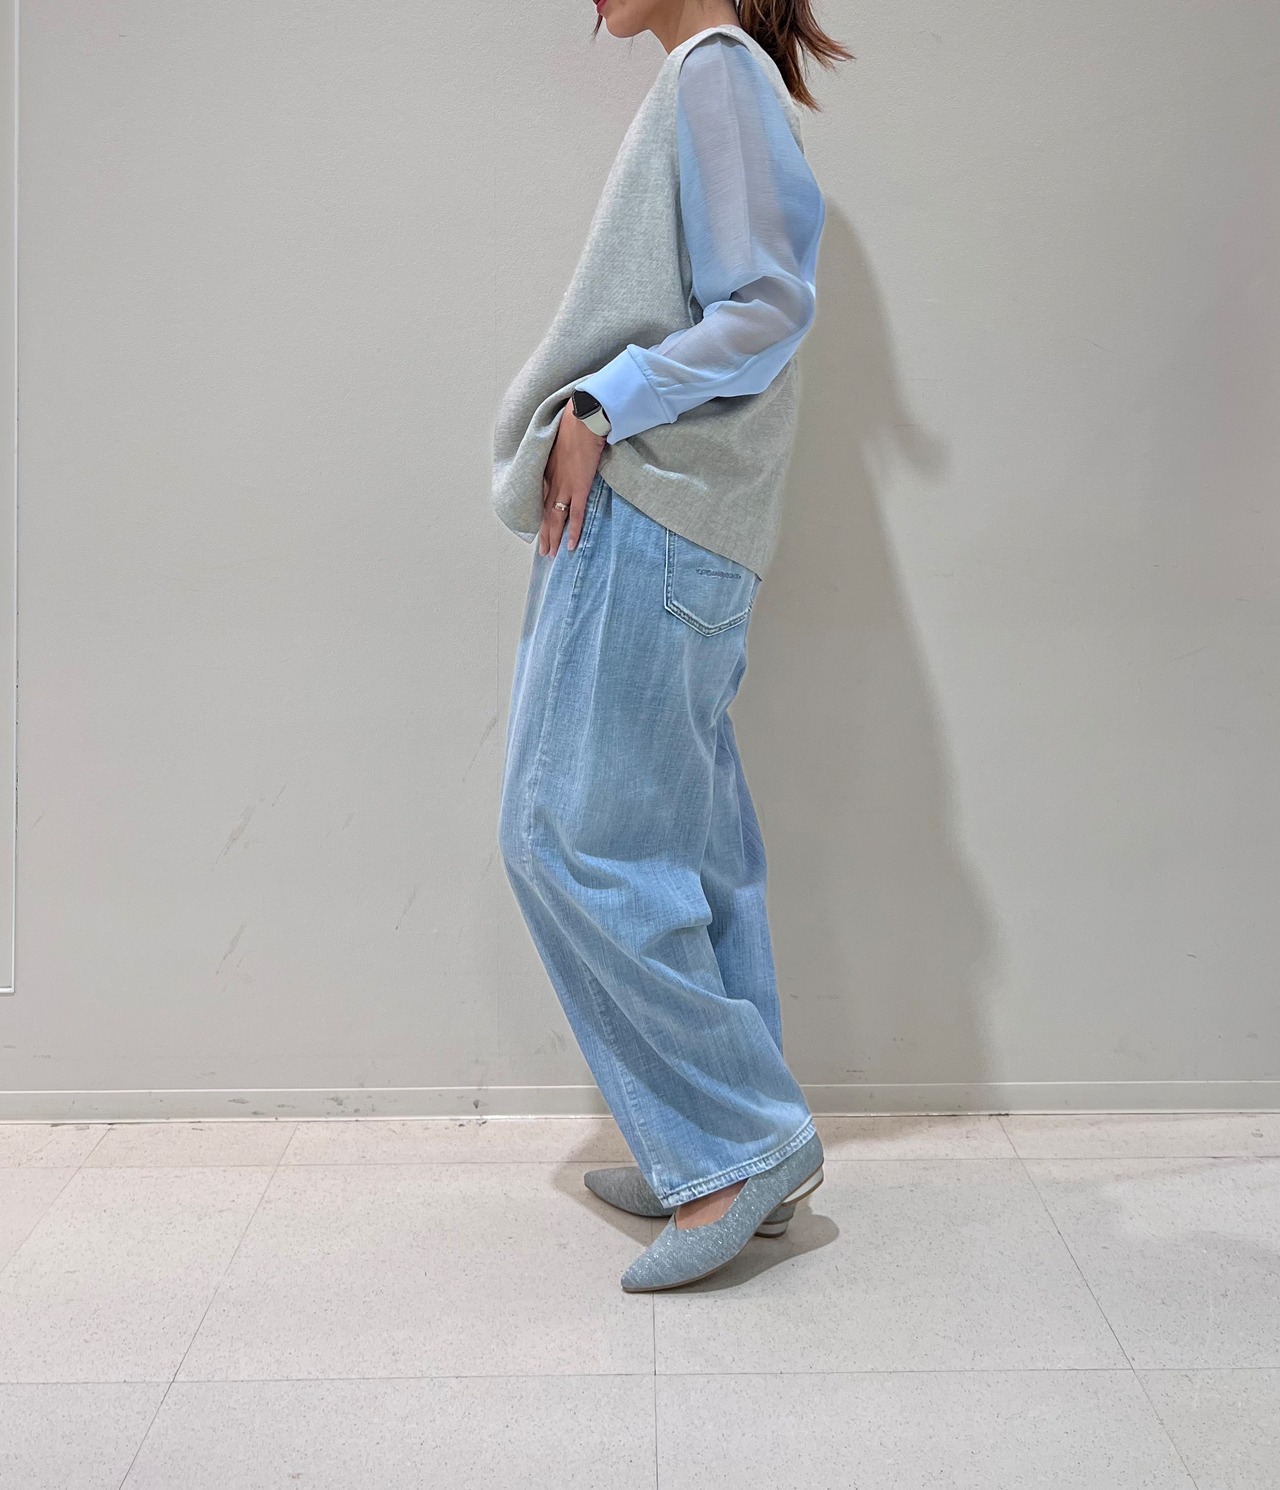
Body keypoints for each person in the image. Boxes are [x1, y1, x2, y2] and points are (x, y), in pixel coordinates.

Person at [490, 0, 853, 1293]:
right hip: (692, 530)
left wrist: (601, 402)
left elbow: (766, 305)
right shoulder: (723, 79)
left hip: (654, 515)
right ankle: (722, 1137)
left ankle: (734, 1139)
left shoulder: (712, 70)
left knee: (562, 833)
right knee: (688, 849)